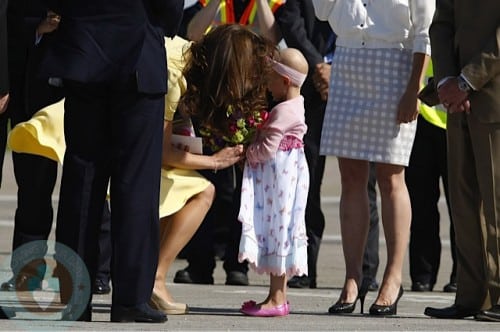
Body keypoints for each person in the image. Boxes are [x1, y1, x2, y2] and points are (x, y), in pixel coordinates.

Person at [40, 0, 183, 323]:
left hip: (83, 54)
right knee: (136, 186)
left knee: (82, 182)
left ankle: (74, 299)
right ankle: (131, 299)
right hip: (137, 54)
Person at [312, 0, 433, 316]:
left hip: (395, 67)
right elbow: (322, 12)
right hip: (348, 62)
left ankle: (393, 278)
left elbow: (424, 32)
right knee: (350, 177)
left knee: (391, 177)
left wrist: (413, 89)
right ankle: (353, 278)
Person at [174, 0, 284, 287]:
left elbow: (272, 39)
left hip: (250, 104)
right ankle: (200, 263)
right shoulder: (210, 4)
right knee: (205, 186)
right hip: (212, 104)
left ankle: (238, 266)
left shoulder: (272, 4)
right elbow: (193, 33)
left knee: (244, 192)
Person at [151, 35, 244, 315]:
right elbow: (163, 152)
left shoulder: (181, 52)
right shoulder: (172, 71)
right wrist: (214, 160)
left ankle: (146, 276)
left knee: (192, 188)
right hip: (118, 154)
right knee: (203, 191)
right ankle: (154, 279)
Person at [424, 0, 500, 321]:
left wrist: (466, 81)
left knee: (497, 203)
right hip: (458, 102)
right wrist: (445, 82)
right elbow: (441, 25)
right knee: (463, 203)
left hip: (492, 97)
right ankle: (472, 296)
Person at [238, 48, 309, 317]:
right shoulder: (296, 104)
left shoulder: (283, 111)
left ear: (285, 81)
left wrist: (247, 153)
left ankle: (277, 298)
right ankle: (274, 295)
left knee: (279, 227)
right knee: (281, 226)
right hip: (286, 174)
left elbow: (268, 148)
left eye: (270, 77)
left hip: (280, 177)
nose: (266, 83)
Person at [0, 1, 63, 293]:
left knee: (37, 185)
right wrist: (34, 28)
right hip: (12, 72)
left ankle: (28, 272)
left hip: (49, 85)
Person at [407, 63, 457, 293]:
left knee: (462, 207)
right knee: (421, 204)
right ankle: (422, 274)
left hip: (458, 113)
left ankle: (463, 274)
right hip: (421, 116)